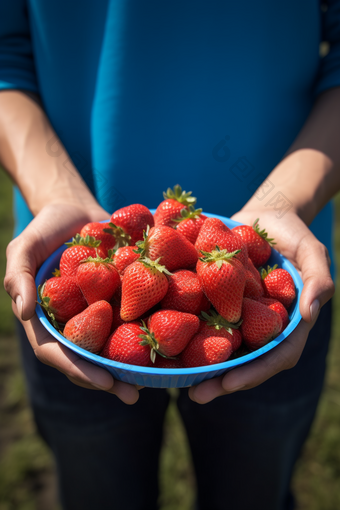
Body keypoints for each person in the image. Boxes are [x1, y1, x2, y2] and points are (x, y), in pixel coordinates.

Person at [1, 2, 339, 509]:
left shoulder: (254, 292)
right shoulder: (90, 291)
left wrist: (285, 202)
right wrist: (54, 195)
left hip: (278, 271)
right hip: (68, 252)